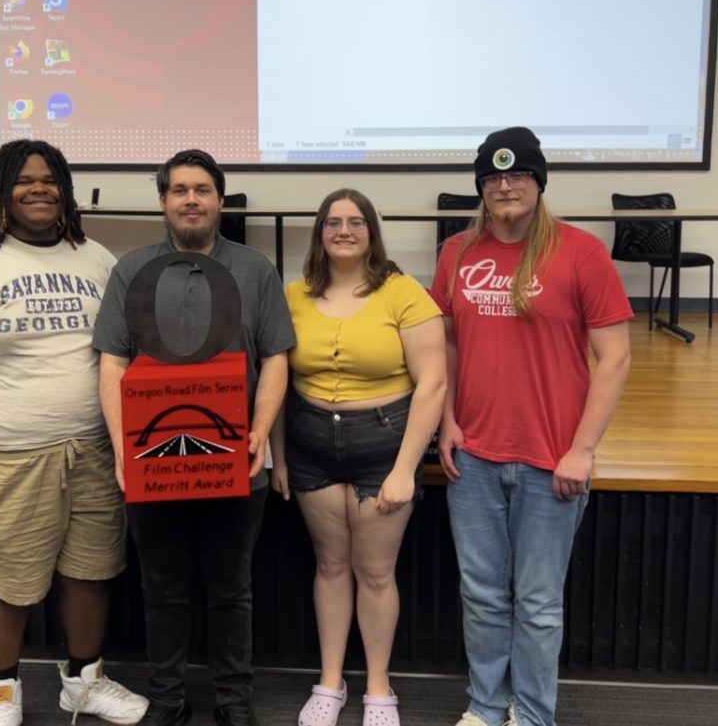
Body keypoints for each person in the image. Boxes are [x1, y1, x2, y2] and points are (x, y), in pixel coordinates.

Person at [0, 140, 148, 726]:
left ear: (66, 190)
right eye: (24, 180)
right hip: (9, 457)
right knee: (12, 585)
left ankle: (84, 683)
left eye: (50, 179)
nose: (38, 188)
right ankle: (1, 693)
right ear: (0, 190)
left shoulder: (94, 257)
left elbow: (124, 353)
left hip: (94, 450)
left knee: (91, 575)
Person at [431, 127, 632, 726]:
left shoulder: (581, 252)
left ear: (539, 182)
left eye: (518, 175)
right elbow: (443, 343)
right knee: (483, 596)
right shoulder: (457, 254)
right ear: (481, 189)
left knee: (539, 603)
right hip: (473, 457)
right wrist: (446, 421)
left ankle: (535, 714)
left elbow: (615, 358)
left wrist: (583, 450)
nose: (505, 186)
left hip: (553, 460)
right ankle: (486, 707)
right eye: (492, 178)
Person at [94, 149, 296, 726]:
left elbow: (277, 358)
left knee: (232, 590)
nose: (191, 200)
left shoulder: (256, 270)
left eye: (202, 190)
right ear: (163, 201)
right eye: (179, 190)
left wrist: (259, 434)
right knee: (163, 590)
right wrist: (122, 450)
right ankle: (168, 700)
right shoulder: (130, 270)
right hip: (151, 461)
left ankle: (234, 704)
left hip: (237, 461)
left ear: (220, 200)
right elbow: (112, 363)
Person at [270, 189, 446, 726]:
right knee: (330, 565)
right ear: (319, 232)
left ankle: (377, 686)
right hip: (310, 444)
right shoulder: (293, 294)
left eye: (355, 222)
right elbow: (278, 380)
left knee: (374, 572)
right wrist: (278, 457)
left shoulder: (404, 293)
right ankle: (329, 682)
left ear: (371, 230)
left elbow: (434, 384)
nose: (343, 231)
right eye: (332, 222)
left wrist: (403, 469)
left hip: (383, 446)